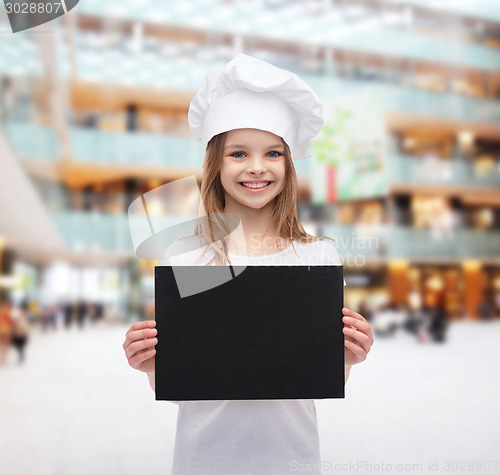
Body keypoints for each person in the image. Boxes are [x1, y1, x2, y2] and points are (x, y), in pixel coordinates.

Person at [123, 54, 374, 474]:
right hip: (203, 460)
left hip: (292, 459)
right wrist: (152, 366)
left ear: (288, 164)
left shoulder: (318, 256)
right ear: (215, 164)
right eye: (238, 153)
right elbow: (184, 389)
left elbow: (311, 378)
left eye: (272, 153)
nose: (257, 167)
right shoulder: (185, 257)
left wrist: (347, 358)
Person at [0, 299, 13, 365]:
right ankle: (3, 358)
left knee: (2, 344)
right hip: (6, 329)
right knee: (5, 344)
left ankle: (2, 358)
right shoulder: (7, 311)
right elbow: (10, 321)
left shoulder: (2, 311)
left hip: (1, 330)